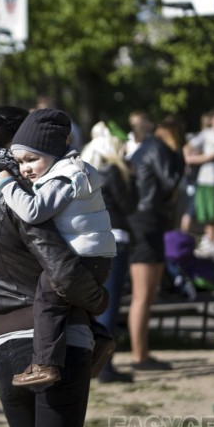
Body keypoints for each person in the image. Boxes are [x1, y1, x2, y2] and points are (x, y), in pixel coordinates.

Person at [0, 106, 109, 427]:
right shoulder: (23, 195)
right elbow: (64, 272)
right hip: (55, 343)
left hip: (4, 343)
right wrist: (100, 301)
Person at [0, 108, 116, 387]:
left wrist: (7, 183)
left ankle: (45, 364)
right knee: (68, 303)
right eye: (20, 162)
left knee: (48, 300)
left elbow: (33, 212)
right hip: (95, 255)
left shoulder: (63, 178)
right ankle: (99, 339)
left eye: (32, 159)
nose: (25, 168)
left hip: (83, 256)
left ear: (54, 153)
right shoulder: (73, 170)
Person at [81, 121, 138, 383]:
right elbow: (129, 205)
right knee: (109, 304)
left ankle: (88, 361)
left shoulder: (84, 169)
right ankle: (105, 366)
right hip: (115, 238)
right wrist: (132, 178)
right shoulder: (115, 170)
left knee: (89, 305)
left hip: (88, 240)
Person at [127, 116, 185, 371]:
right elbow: (170, 182)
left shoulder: (145, 148)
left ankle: (143, 353)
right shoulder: (158, 149)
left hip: (145, 220)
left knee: (147, 294)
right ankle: (139, 356)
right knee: (143, 295)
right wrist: (180, 157)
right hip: (145, 222)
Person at [184, 108, 214, 256]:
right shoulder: (206, 134)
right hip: (203, 179)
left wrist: (196, 159)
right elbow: (188, 147)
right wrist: (189, 158)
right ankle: (209, 240)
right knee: (206, 213)